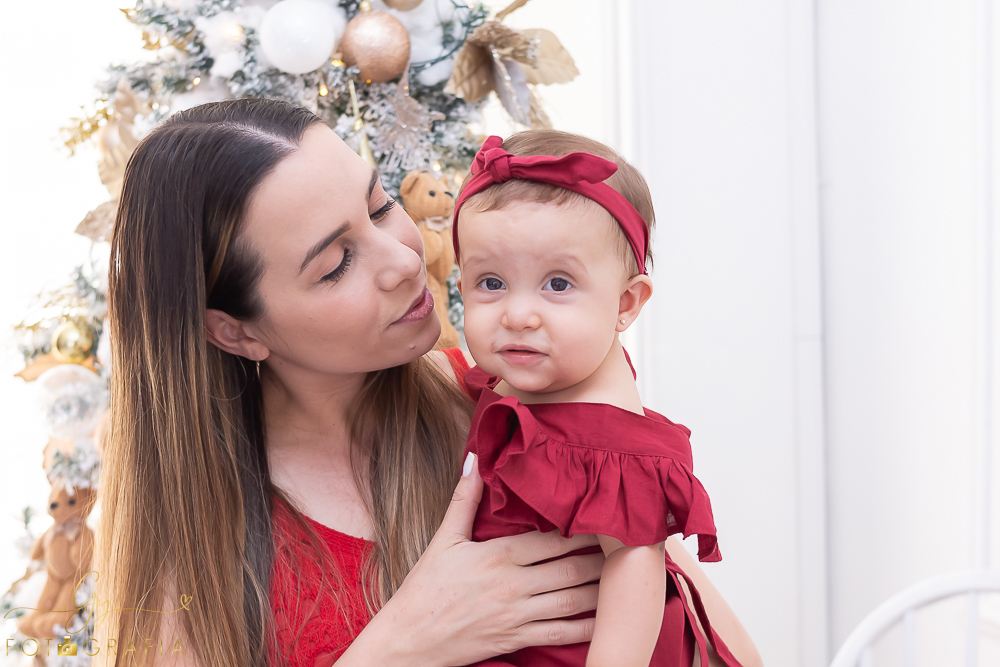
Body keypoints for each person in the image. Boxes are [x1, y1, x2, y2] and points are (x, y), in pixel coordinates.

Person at [92, 98, 761, 667]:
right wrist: (400, 644)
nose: (405, 259)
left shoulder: (517, 408)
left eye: (380, 205)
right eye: (336, 264)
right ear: (236, 331)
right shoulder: (195, 549)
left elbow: (714, 636)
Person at [452, 131, 745, 667]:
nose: (518, 315)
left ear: (625, 303)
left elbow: (635, 574)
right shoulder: (535, 374)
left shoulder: (604, 438)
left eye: (558, 284)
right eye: (490, 281)